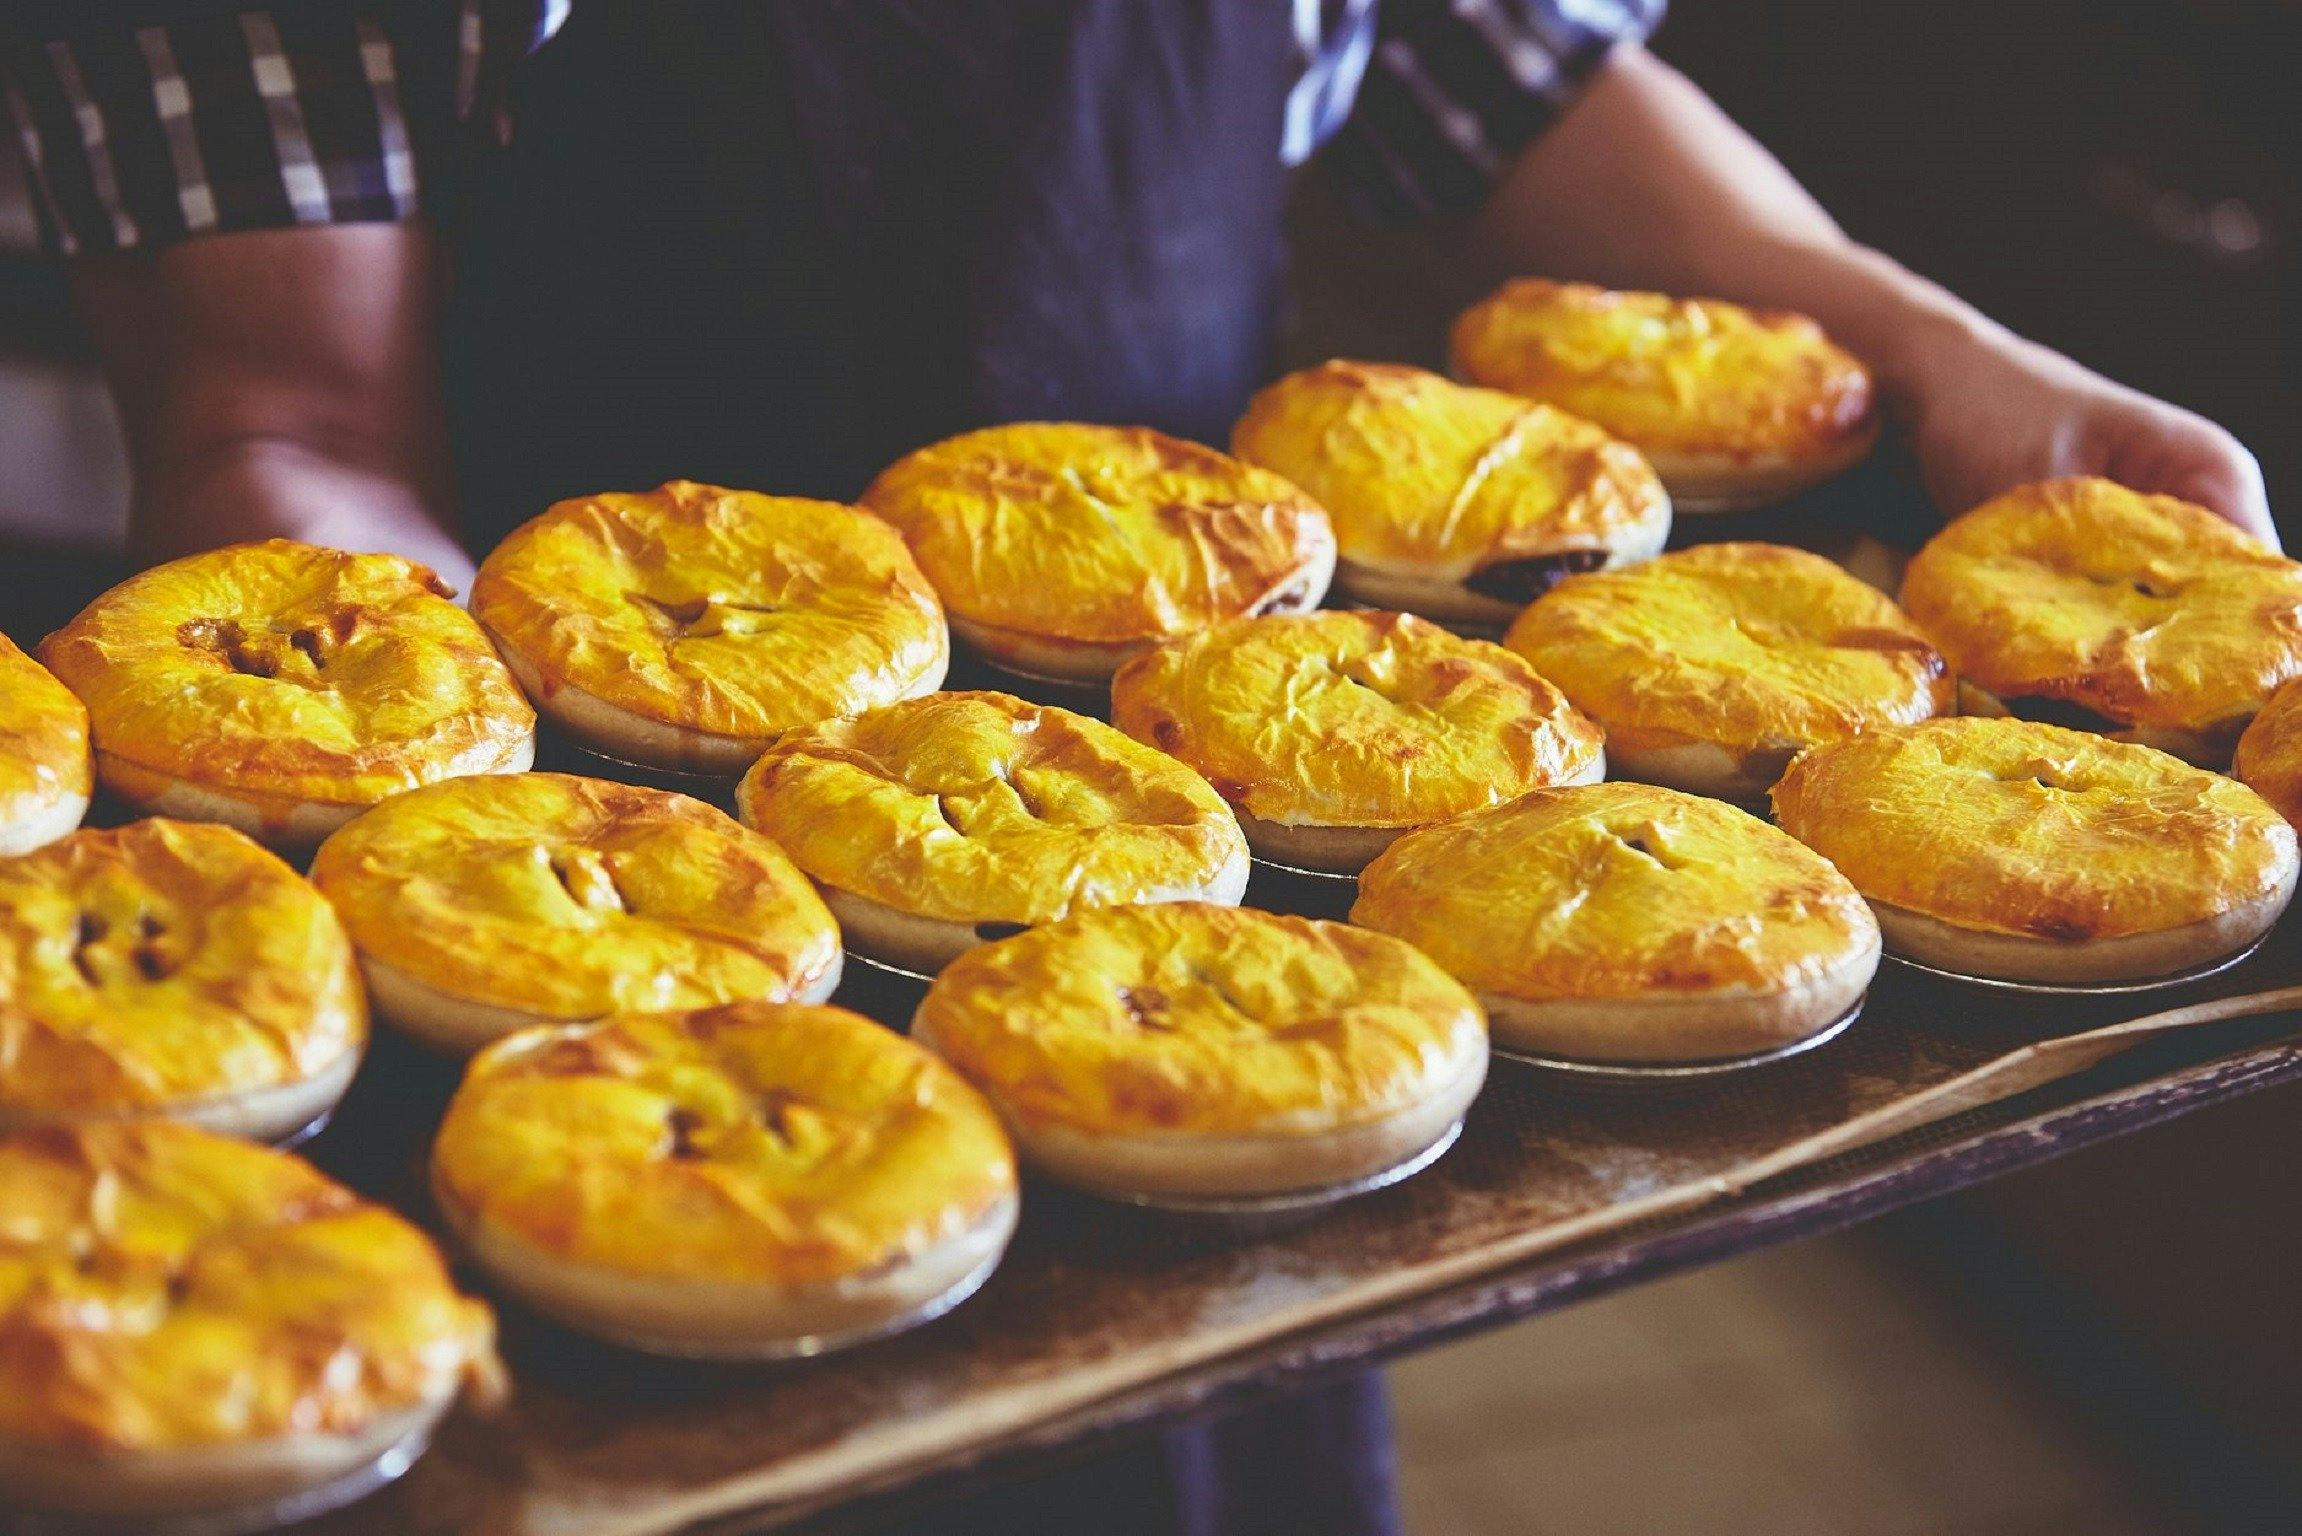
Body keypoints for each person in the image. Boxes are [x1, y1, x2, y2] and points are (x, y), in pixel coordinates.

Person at [0, 5, 2278, 1535]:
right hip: (584, 956)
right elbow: (287, 418)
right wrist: (425, 765)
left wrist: (1906, 339)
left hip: (1230, 881)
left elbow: (1479, 66)